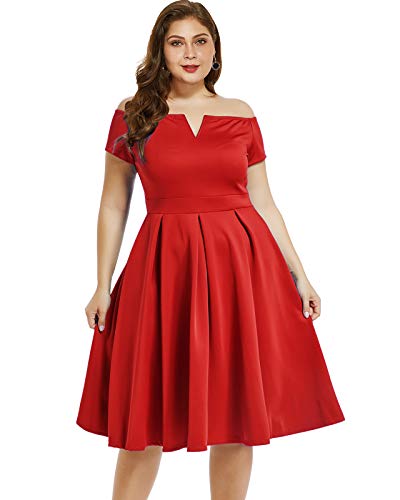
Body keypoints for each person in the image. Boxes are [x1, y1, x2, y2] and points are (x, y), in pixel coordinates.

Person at [76, 1, 345, 498]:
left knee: (237, 413)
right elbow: (114, 204)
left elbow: (263, 201)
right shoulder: (133, 114)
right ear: (160, 51)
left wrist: (300, 275)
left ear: (215, 49)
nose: (190, 53)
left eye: (200, 41)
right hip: (164, 267)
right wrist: (101, 285)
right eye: (177, 42)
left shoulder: (241, 114)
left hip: (241, 267)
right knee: (145, 417)